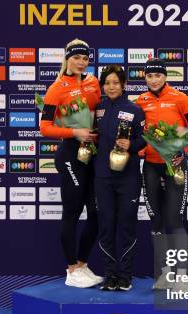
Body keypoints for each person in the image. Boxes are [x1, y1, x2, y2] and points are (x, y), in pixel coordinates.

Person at [39, 39, 102, 288]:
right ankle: (71, 269)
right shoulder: (56, 88)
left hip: (92, 153)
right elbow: (44, 127)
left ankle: (83, 264)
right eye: (77, 58)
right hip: (70, 156)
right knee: (72, 212)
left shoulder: (93, 81)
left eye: (85, 58)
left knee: (96, 212)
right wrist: (74, 133)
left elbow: (99, 111)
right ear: (67, 59)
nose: (81, 62)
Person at [135, 58, 188, 290]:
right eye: (150, 76)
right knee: (157, 221)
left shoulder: (180, 98)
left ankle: (182, 275)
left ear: (165, 76)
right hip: (151, 166)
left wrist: (182, 151)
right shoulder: (139, 102)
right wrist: (142, 151)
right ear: (145, 78)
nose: (154, 80)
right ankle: (165, 275)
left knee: (175, 220)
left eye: (158, 75)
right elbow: (136, 136)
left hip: (176, 165)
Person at [94, 65, 146, 291]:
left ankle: (125, 276)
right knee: (106, 226)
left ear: (124, 84)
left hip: (129, 178)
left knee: (126, 226)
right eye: (107, 83)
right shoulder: (98, 109)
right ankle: (110, 275)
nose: (111, 87)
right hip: (103, 177)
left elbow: (144, 140)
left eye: (116, 82)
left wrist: (131, 145)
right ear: (102, 86)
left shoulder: (135, 109)